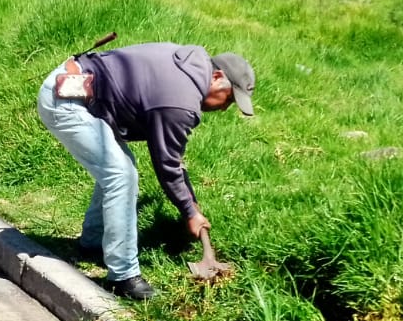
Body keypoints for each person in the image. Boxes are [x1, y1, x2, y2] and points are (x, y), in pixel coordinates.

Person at [37, 43, 254, 301]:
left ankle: (92, 242)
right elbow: (167, 166)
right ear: (217, 77)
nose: (224, 108)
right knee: (121, 174)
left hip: (79, 91)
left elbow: (173, 159)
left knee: (119, 169)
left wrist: (191, 206)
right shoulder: (181, 100)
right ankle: (123, 276)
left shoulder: (187, 69)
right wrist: (189, 212)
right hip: (67, 100)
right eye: (228, 98)